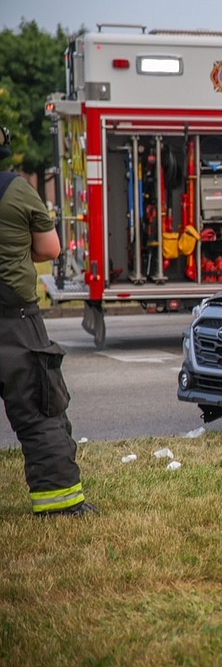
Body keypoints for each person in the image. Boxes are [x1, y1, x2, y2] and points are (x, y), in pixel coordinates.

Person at [0, 124, 96, 516]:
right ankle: (61, 503)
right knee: (40, 410)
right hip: (14, 319)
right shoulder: (15, 189)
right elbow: (50, 247)